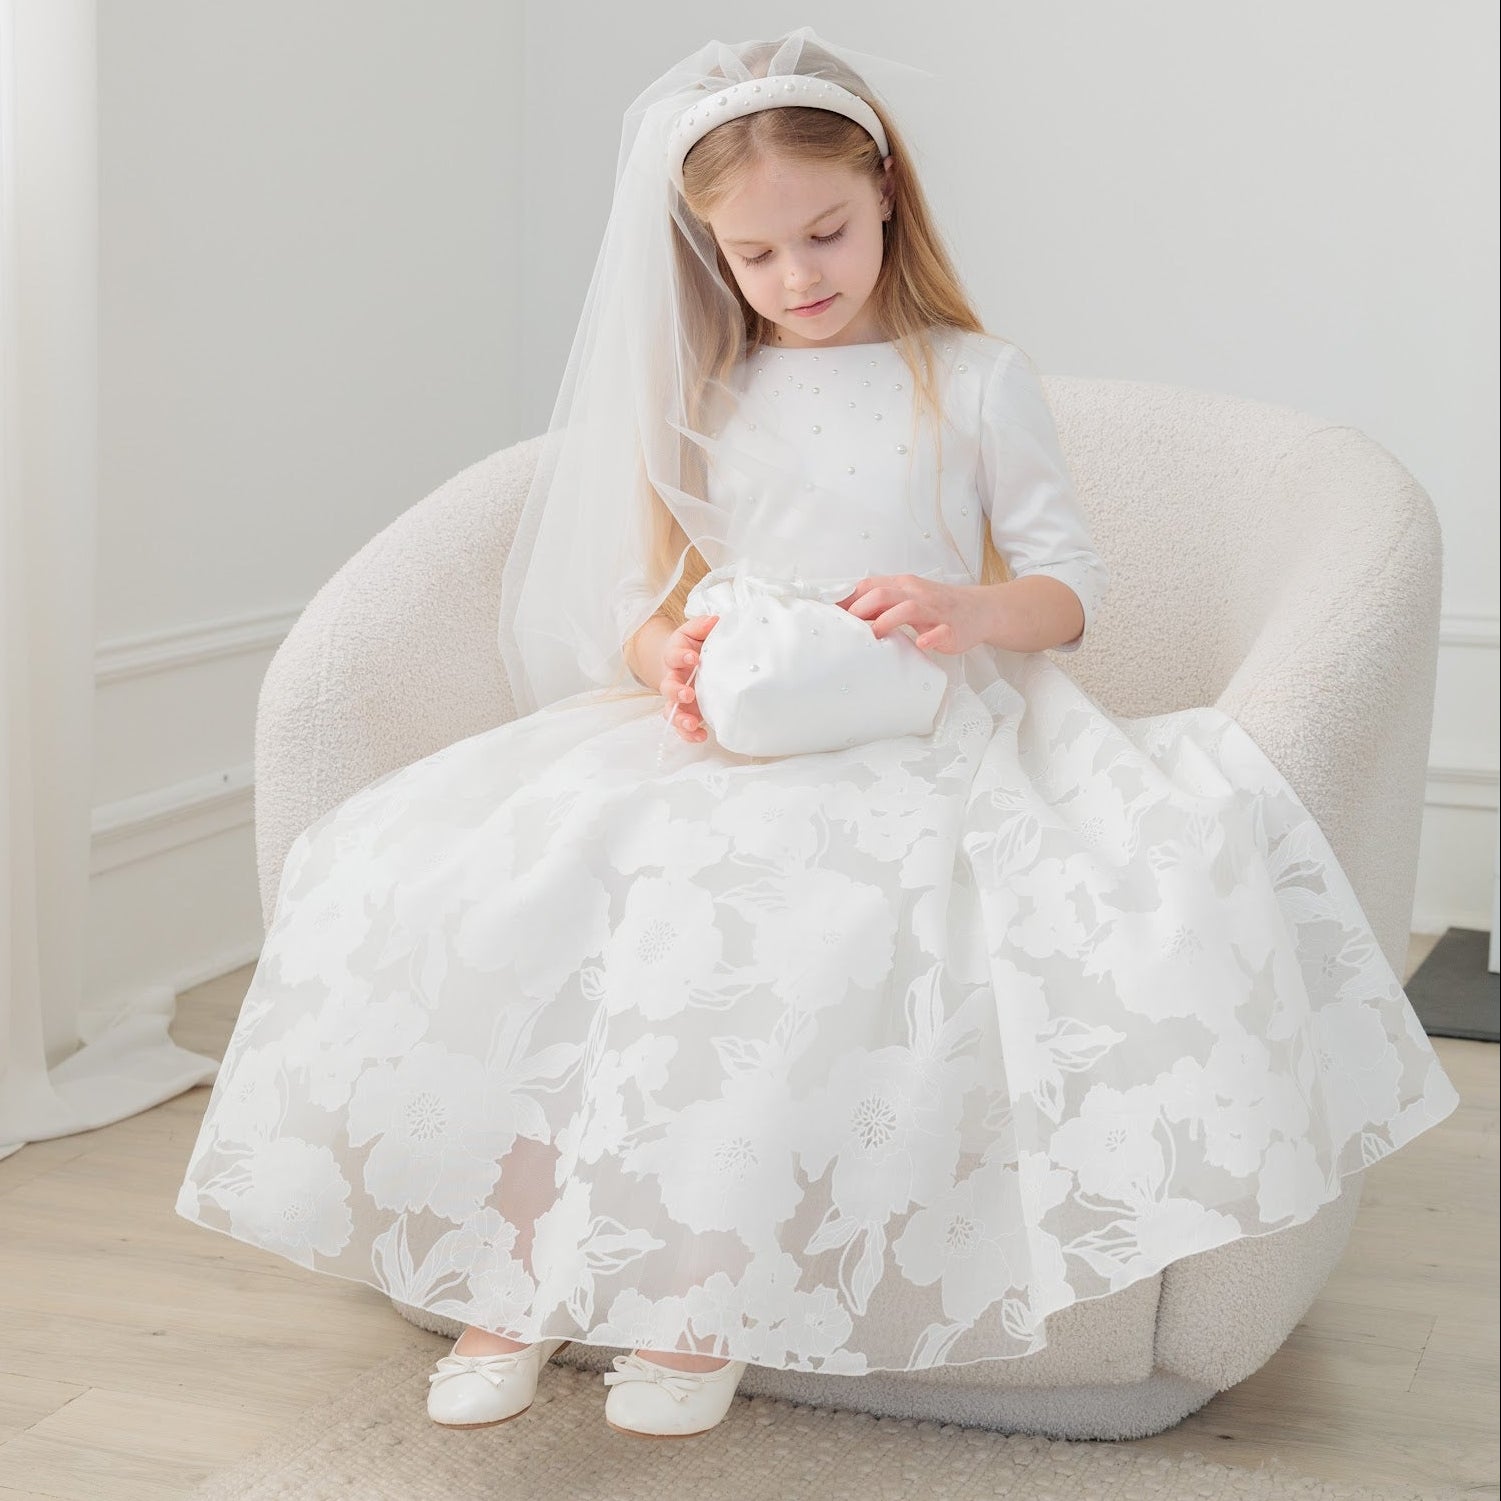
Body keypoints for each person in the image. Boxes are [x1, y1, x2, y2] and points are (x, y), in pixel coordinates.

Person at [174, 28, 1461, 1443]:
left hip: (919, 722)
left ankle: (698, 1302)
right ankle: (512, 1284)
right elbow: (638, 595)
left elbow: (1068, 590)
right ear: (712, 256)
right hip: (738, 726)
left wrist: (962, 607)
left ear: (886, 195)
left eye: (826, 233)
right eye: (757, 254)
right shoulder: (713, 391)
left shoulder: (974, 377)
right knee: (559, 895)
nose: (798, 276)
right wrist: (669, 660)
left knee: (801, 927)